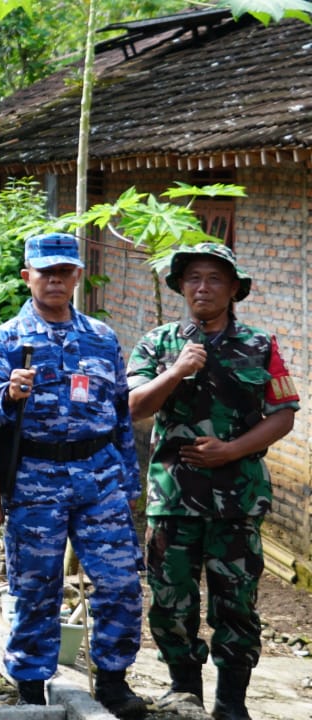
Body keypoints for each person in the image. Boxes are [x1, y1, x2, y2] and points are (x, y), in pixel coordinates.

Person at [0, 232, 146, 719]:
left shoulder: (102, 337)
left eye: (63, 272)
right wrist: (8, 393)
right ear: (27, 276)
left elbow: (119, 414)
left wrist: (130, 485)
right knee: (35, 585)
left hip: (99, 475)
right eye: (44, 272)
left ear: (76, 277)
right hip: (37, 476)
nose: (54, 280)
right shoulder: (8, 339)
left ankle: (113, 679)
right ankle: (30, 684)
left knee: (120, 583)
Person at [127, 243, 297, 719]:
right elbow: (135, 407)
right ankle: (183, 690)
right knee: (170, 600)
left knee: (237, 604)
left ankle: (231, 701)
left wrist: (232, 450)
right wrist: (177, 371)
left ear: (234, 290)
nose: (203, 287)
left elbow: (283, 415)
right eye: (194, 278)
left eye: (215, 279)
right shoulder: (158, 343)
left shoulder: (260, 346)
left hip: (237, 500)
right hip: (172, 498)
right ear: (181, 287)